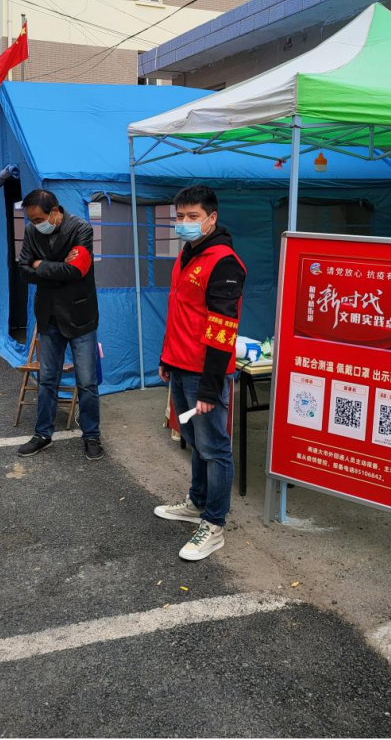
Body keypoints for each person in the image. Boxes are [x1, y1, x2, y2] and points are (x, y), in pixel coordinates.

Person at [155, 185, 246, 562]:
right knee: (194, 440)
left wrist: (210, 388)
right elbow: (179, 311)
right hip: (180, 364)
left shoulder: (223, 262)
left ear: (212, 218)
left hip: (204, 372)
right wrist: (166, 358)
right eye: (180, 216)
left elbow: (222, 330)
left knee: (215, 449)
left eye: (193, 217)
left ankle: (214, 524)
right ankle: (197, 502)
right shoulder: (188, 253)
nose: (185, 223)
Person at [17, 188, 104, 461]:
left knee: (87, 382)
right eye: (31, 220)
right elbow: (23, 270)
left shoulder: (81, 229)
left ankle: (91, 436)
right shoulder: (32, 232)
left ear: (55, 211)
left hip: (80, 316)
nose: (35, 224)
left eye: (38, 219)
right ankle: (42, 434)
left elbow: (77, 270)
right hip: (48, 315)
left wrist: (40, 264)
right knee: (47, 380)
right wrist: (50, 267)